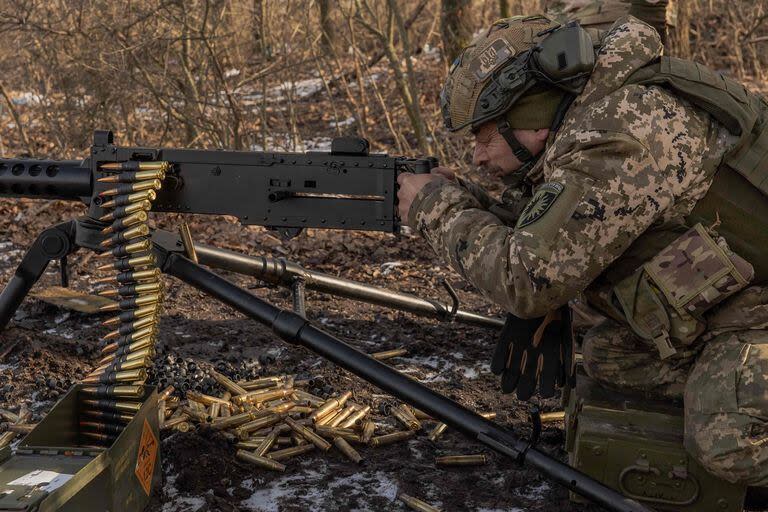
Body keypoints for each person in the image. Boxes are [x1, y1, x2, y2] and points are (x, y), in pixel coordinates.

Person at [396, 14, 768, 487]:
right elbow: (557, 222)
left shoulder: (621, 134)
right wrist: (471, 202)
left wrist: (435, 209)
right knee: (613, 357)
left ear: (530, 119)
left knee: (727, 437)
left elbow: (527, 279)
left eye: (485, 136)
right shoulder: (596, 115)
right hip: (741, 296)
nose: (478, 156)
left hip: (757, 303)